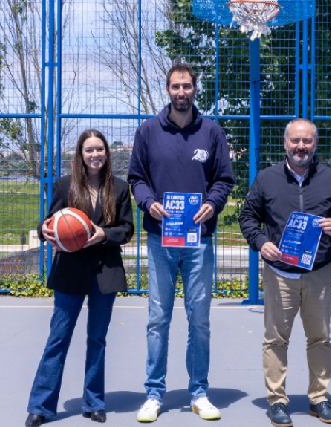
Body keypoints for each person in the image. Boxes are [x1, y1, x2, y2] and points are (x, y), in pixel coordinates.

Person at [127, 62, 234, 422]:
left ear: (194, 89)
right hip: (161, 239)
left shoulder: (212, 132)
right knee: (158, 318)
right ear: (167, 89)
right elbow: (136, 178)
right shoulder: (148, 131)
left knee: (199, 319)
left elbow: (223, 180)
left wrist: (212, 203)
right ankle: (154, 393)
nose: (181, 92)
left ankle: (198, 392)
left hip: (199, 241)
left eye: (187, 86)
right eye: (175, 86)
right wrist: (148, 203)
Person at [238, 118, 331, 427]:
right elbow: (248, 217)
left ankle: (319, 398)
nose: (301, 147)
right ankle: (277, 401)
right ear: (285, 143)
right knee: (275, 339)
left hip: (319, 271)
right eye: (295, 141)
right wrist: (261, 242)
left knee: (320, 337)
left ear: (315, 144)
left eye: (307, 141)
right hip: (280, 273)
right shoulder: (266, 179)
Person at [25, 129, 134, 427]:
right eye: (89, 150)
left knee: (97, 339)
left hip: (105, 272)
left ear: (107, 153)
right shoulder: (64, 185)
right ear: (81, 155)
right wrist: (42, 230)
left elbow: (127, 230)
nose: (95, 154)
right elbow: (50, 222)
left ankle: (94, 402)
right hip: (70, 270)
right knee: (58, 338)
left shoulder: (120, 189)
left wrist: (103, 234)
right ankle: (41, 405)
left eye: (100, 149)